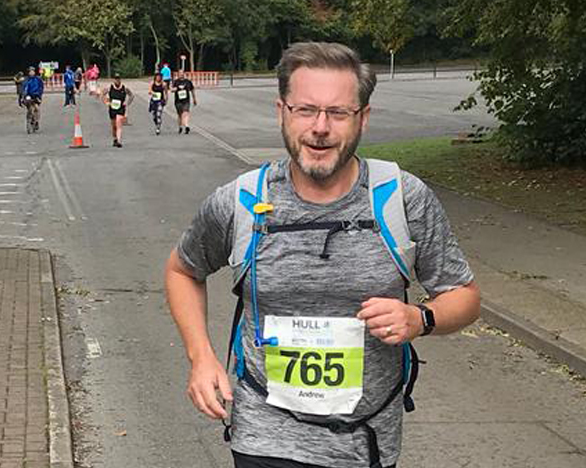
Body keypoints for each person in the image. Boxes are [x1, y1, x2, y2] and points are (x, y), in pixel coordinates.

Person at [164, 42, 481, 468]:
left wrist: (420, 318)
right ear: (282, 112)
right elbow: (183, 270)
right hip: (265, 437)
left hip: (366, 440)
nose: (320, 127)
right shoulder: (242, 200)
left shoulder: (401, 198)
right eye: (306, 110)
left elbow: (464, 296)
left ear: (362, 118)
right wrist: (200, 358)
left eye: (338, 112)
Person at [102, 74, 134, 147]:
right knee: (114, 126)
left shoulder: (124, 88)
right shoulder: (109, 87)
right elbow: (102, 94)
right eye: (116, 79)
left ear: (120, 79)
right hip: (112, 108)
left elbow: (131, 95)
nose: (117, 80)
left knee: (119, 123)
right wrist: (107, 102)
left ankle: (119, 141)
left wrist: (127, 103)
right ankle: (115, 139)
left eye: (118, 79)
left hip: (121, 108)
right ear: (114, 80)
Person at [172, 69, 197, 134]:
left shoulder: (188, 81)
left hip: (186, 100)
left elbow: (192, 90)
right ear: (178, 74)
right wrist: (176, 88)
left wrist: (194, 99)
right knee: (180, 115)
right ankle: (180, 126)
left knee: (185, 112)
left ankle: (186, 126)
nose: (181, 74)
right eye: (180, 73)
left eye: (182, 73)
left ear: (184, 74)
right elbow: (172, 89)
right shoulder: (176, 82)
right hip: (178, 101)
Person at [22, 67, 44, 131]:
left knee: (36, 108)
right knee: (30, 108)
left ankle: (36, 121)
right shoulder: (26, 80)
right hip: (28, 95)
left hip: (36, 95)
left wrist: (39, 94)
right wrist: (23, 95)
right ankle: (29, 120)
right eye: (30, 72)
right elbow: (24, 88)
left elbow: (41, 87)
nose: (31, 73)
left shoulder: (38, 79)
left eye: (32, 71)